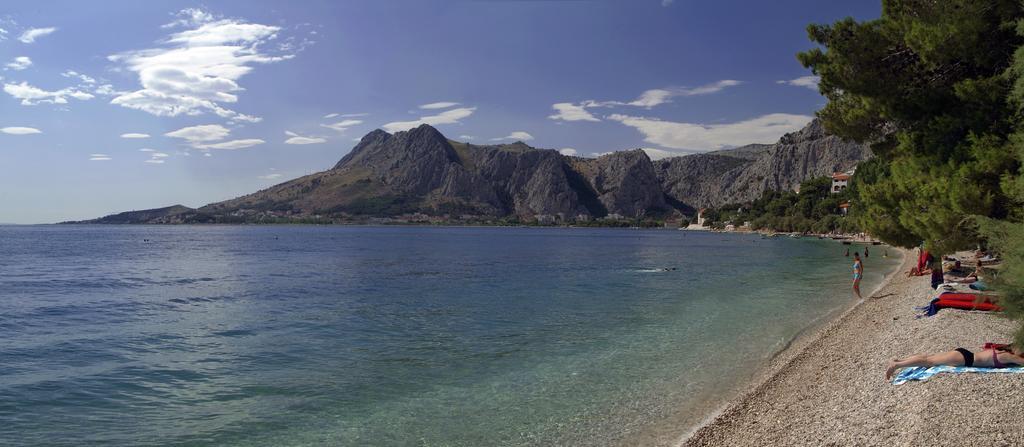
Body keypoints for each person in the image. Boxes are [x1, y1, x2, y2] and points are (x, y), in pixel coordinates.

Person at [886, 345, 1024, 380]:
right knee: (929, 361)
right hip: (965, 359)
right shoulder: (1007, 356)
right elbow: (1021, 361)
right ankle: (897, 365)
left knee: (928, 358)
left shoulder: (1001, 352)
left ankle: (899, 360)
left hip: (964, 354)